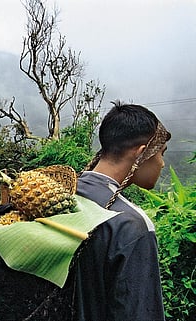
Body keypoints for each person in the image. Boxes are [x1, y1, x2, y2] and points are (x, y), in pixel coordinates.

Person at [72, 101, 171, 320]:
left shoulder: (61, 196)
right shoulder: (131, 225)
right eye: (161, 153)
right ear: (142, 153)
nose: (162, 164)